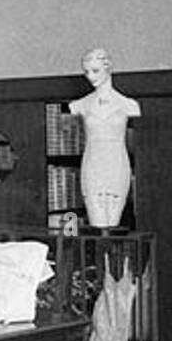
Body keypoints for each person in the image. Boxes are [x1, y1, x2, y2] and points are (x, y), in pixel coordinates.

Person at [69, 48, 140, 229]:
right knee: (97, 222)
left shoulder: (128, 105)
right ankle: (100, 256)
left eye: (95, 71)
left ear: (108, 68)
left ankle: (110, 256)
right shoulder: (80, 105)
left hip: (116, 163)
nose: (91, 77)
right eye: (87, 72)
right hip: (93, 163)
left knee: (113, 222)